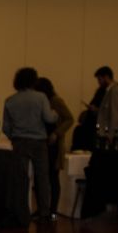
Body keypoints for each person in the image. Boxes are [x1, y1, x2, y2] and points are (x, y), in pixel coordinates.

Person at [2, 67, 58, 222]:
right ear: (34, 80)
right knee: (42, 178)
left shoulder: (10, 100)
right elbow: (48, 118)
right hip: (39, 142)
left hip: (19, 141)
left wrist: (14, 136)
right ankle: (44, 212)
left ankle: (21, 211)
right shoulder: (40, 97)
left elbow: (5, 127)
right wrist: (55, 114)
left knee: (21, 178)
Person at [35, 77, 74, 218]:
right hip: (43, 142)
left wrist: (57, 133)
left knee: (52, 177)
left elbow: (69, 118)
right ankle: (43, 209)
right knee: (41, 178)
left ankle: (53, 210)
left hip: (53, 144)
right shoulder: (41, 101)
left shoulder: (56, 101)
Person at [94, 65, 118, 142]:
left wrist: (110, 135)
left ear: (106, 77)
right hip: (109, 133)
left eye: (100, 79)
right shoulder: (109, 91)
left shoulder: (114, 91)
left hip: (112, 135)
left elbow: (115, 114)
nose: (98, 82)